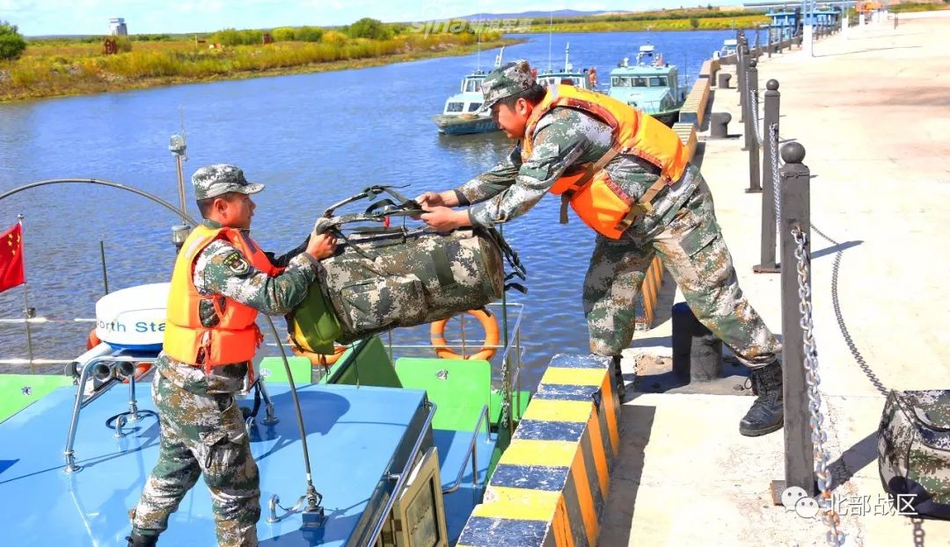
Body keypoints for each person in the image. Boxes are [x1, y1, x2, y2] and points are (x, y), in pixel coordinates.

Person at [417, 60, 783, 437]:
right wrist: (449, 196)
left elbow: (520, 196)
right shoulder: (539, 127)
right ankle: (610, 379)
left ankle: (774, 380)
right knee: (603, 294)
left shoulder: (562, 128)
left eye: (496, 111)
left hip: (674, 208)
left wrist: (458, 219)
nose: (494, 119)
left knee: (713, 300)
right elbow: (509, 173)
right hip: (629, 220)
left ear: (521, 106)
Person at [128, 164, 337, 546]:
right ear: (222, 206)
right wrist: (311, 259)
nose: (253, 205)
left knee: (173, 469)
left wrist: (308, 247)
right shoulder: (218, 257)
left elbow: (268, 273)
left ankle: (139, 539)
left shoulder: (215, 241)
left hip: (176, 381)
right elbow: (274, 297)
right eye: (245, 199)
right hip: (201, 393)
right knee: (236, 491)